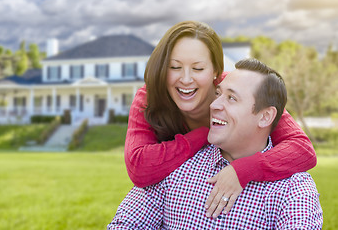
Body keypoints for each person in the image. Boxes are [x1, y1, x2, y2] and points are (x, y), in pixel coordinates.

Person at [124, 20, 316, 217]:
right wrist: (205, 134)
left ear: (215, 71)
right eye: (174, 67)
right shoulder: (149, 98)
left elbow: (302, 149)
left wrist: (242, 170)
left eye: (198, 69)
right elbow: (139, 167)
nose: (186, 79)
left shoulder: (237, 90)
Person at [108, 58, 323, 229]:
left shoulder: (294, 190)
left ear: (265, 117)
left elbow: (302, 148)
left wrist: (243, 170)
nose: (214, 104)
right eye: (218, 94)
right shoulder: (176, 165)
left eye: (231, 98)